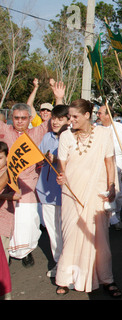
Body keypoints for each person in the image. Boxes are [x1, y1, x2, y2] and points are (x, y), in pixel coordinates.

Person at [54, 99, 122, 298]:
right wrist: (62, 175)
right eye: (69, 116)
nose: (71, 120)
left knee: (99, 239)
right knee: (70, 236)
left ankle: (106, 279)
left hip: (96, 192)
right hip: (71, 193)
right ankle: (65, 279)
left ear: (87, 115)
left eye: (75, 116)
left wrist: (111, 186)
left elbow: (109, 161)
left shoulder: (103, 134)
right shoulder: (65, 136)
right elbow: (62, 163)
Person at [0, 102, 52, 267]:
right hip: (7, 182)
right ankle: (6, 253)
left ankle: (26, 252)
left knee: (28, 221)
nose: (20, 121)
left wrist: (58, 98)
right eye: (16, 118)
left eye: (24, 118)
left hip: (28, 184)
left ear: (30, 118)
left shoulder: (35, 133)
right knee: (7, 221)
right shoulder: (5, 131)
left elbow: (52, 122)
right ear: (11, 118)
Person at [35, 105, 70, 278]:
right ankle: (59, 264)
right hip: (46, 192)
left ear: (68, 120)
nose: (55, 122)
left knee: (66, 232)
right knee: (53, 232)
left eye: (60, 118)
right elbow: (40, 157)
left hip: (65, 195)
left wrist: (56, 159)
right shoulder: (47, 136)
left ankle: (69, 266)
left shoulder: (72, 138)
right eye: (53, 118)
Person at [97, 104, 122, 231]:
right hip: (100, 166)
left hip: (117, 164)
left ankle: (115, 214)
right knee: (103, 191)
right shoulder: (96, 128)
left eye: (100, 113)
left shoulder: (119, 127)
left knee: (117, 193)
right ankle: (109, 217)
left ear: (108, 115)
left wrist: (108, 151)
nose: (97, 115)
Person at [0, 143, 21, 263]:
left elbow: (17, 195)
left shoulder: (10, 173)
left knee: (2, 250)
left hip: (4, 218)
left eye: (0, 158)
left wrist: (1, 196)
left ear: (7, 157)